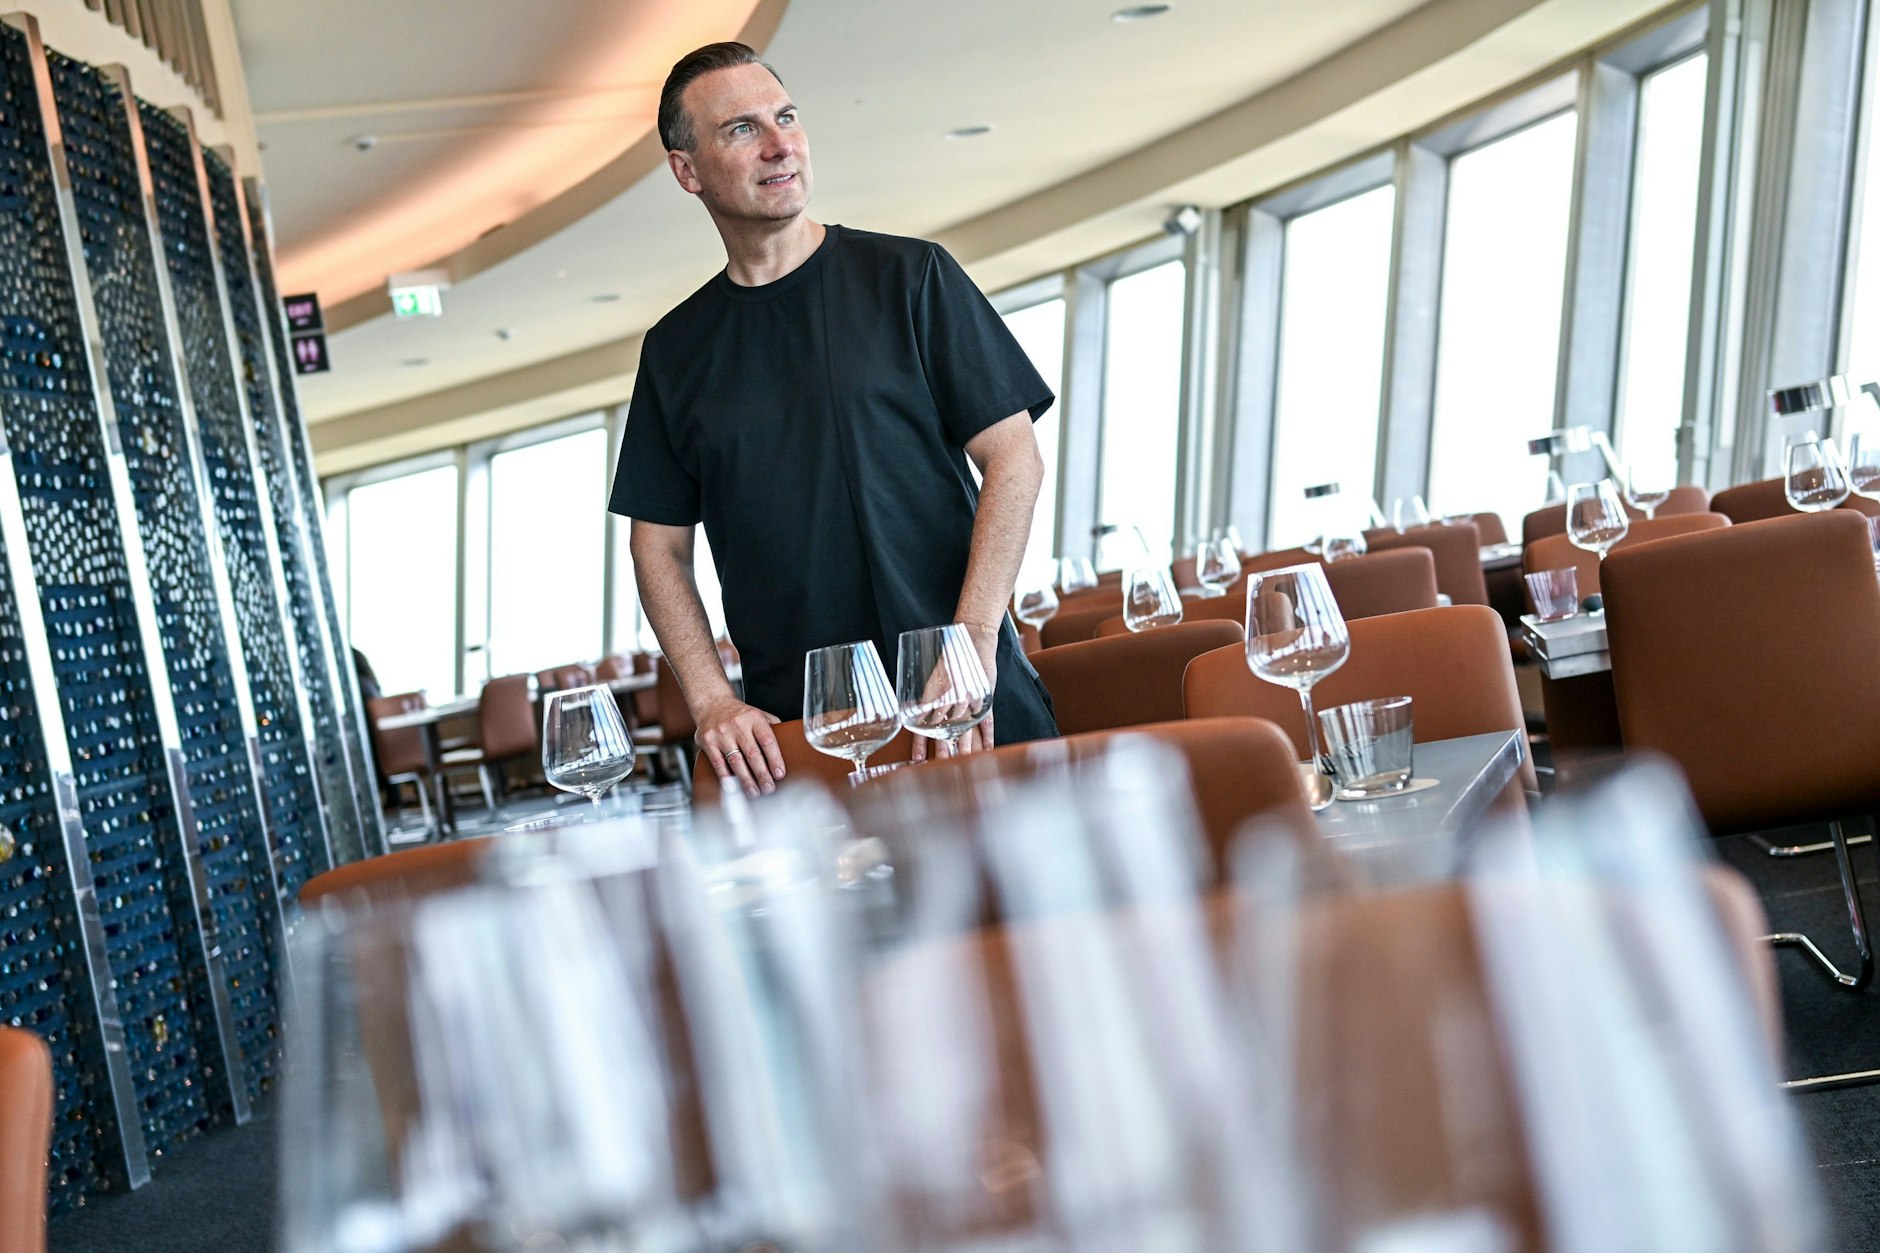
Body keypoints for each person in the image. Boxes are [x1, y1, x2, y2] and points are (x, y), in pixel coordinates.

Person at [609, 41, 1058, 799]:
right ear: (688, 171)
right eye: (741, 129)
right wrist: (713, 698)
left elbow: (1015, 456)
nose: (781, 144)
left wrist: (976, 639)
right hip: (807, 739)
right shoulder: (675, 352)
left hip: (967, 699)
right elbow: (656, 546)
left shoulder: (911, 278)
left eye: (785, 118)